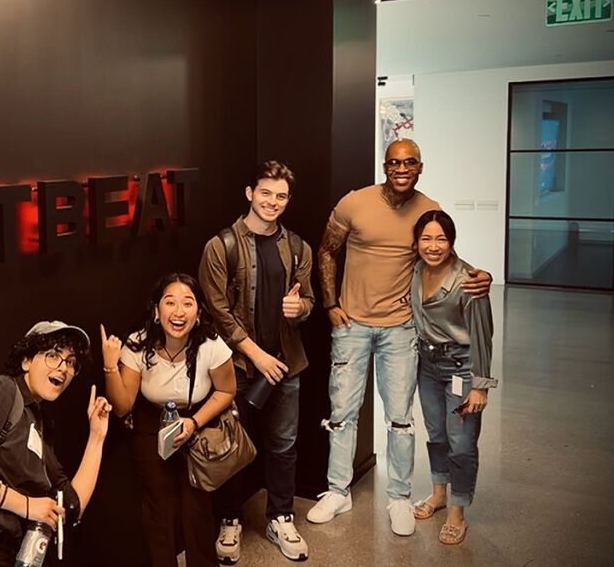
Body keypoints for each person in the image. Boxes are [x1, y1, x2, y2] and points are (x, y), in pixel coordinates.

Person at [308, 139, 491, 536]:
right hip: (351, 324)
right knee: (342, 415)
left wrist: (482, 274)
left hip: (401, 328)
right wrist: (329, 305)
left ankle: (400, 498)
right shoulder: (354, 203)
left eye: (410, 162)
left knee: (401, 419)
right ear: (385, 165)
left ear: (420, 167)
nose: (402, 168)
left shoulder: (429, 209)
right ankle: (337, 491)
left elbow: (445, 255)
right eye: (395, 162)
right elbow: (326, 251)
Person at [197, 160, 315, 563]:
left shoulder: (298, 247)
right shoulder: (221, 246)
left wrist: (300, 308)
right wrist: (257, 355)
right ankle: (229, 519)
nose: (273, 202)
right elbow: (215, 310)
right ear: (250, 193)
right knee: (232, 446)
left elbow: (311, 301)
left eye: (281, 196)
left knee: (283, 447)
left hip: (285, 366)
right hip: (239, 368)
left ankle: (280, 516)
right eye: (266, 193)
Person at [0, 321, 111, 566]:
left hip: (8, 556)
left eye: (70, 362)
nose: (63, 367)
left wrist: (97, 436)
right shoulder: (1, 390)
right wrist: (26, 505)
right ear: (26, 361)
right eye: (52, 355)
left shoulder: (39, 423)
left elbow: (70, 505)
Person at [101, 273, 236, 567]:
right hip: (152, 423)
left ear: (198, 313)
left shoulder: (212, 345)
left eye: (188, 304)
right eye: (170, 302)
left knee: (196, 506)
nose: (178, 312)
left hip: (198, 422)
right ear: (156, 311)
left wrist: (194, 422)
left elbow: (227, 390)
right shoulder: (138, 343)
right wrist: (110, 366)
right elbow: (123, 407)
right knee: (160, 506)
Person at [409, 210, 496, 545]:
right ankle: (438, 493)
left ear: (452, 241)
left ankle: (458, 512)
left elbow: (482, 335)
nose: (433, 246)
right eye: (426, 238)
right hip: (426, 366)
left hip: (460, 368)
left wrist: (480, 386)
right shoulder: (416, 270)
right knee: (436, 434)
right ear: (416, 242)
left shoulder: (469, 281)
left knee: (461, 443)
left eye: (441, 239)